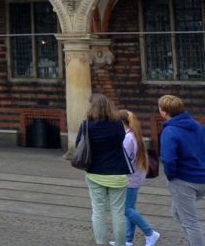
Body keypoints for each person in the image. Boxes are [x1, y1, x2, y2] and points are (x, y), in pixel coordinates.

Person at [77, 93, 128, 246]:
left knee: (98, 212)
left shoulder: (87, 125)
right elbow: (121, 141)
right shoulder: (118, 124)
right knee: (118, 213)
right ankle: (120, 244)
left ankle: (101, 243)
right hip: (118, 173)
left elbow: (79, 143)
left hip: (95, 173)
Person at [158, 94, 205, 246]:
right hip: (201, 177)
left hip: (184, 181)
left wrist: (171, 176)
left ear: (164, 112)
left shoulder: (170, 131)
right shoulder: (197, 125)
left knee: (190, 222)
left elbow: (168, 159)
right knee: (177, 213)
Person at [117, 109, 161, 246]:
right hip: (136, 175)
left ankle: (150, 233)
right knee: (130, 208)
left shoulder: (127, 138)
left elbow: (124, 160)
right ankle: (128, 240)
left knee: (126, 209)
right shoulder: (133, 135)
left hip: (130, 178)